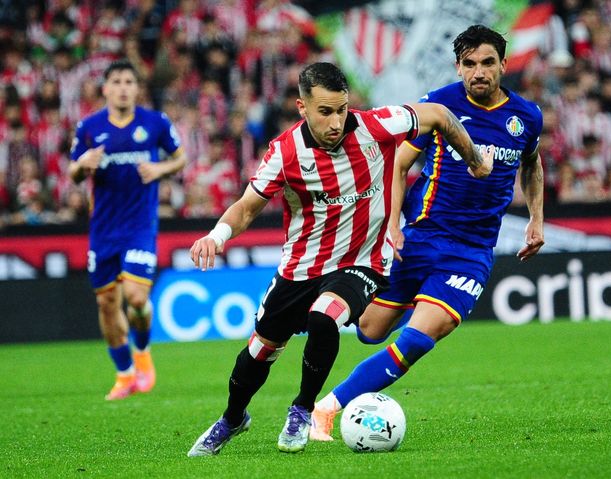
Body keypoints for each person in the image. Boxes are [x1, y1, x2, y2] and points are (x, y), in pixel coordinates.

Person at [187, 61, 494, 456]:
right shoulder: (285, 153)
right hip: (301, 266)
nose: (336, 122)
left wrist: (473, 159)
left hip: (363, 262)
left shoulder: (376, 126)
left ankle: (301, 409)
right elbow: (247, 208)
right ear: (302, 107)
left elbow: (438, 114)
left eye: (342, 109)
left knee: (325, 315)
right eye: (325, 112)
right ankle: (232, 419)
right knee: (258, 352)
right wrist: (216, 236)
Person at [309, 25, 545, 441]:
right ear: (458, 67)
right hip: (420, 237)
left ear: (504, 64)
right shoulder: (439, 105)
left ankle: (326, 408)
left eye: (487, 62)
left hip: (471, 252)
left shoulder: (526, 117)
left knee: (417, 340)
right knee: (370, 330)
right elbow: (399, 164)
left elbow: (532, 163)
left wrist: (536, 218)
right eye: (469, 64)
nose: (479, 72)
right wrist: (392, 226)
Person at [69, 59, 187, 400]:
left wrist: (160, 169)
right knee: (107, 303)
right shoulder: (89, 127)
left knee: (136, 298)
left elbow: (180, 158)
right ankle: (124, 374)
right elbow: (73, 173)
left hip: (139, 226)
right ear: (105, 88)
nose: (123, 88)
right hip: (103, 229)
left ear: (137, 88)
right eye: (117, 82)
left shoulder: (155, 123)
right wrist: (82, 165)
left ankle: (143, 351)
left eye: (129, 82)